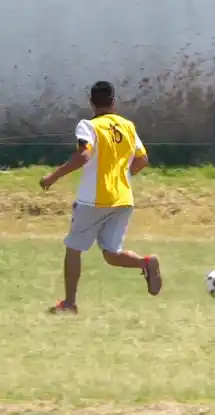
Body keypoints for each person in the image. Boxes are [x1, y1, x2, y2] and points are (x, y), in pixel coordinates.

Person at [39, 81, 163, 314]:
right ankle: (145, 262)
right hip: (123, 198)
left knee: (74, 248)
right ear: (113, 102)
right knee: (112, 254)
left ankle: (69, 303)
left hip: (93, 200)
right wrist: (123, 174)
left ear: (91, 103)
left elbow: (84, 155)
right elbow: (142, 160)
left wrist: (53, 176)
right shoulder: (127, 126)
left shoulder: (88, 125)